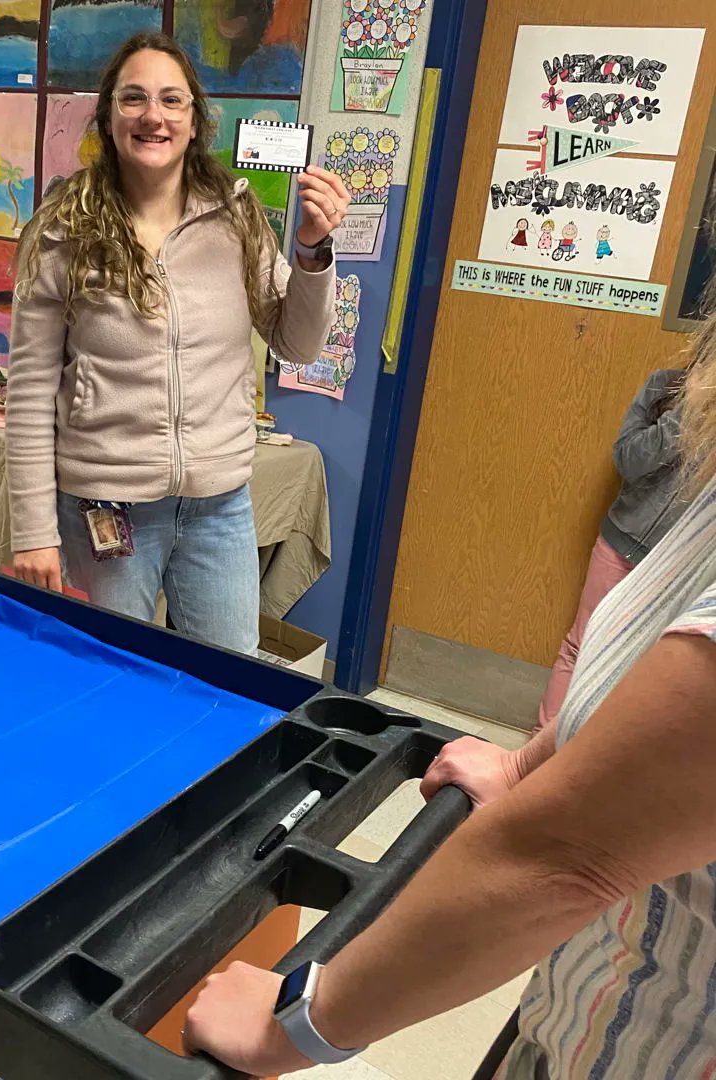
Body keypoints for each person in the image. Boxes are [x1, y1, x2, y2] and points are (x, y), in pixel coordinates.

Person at [184, 300, 716, 1076]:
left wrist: (299, 1023)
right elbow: (645, 687)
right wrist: (529, 767)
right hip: (589, 1003)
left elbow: (565, 859)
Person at [6, 33, 346, 653]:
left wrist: (312, 252)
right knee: (109, 683)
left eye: (171, 101)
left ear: (195, 122)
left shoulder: (237, 220)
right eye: (133, 99)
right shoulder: (64, 228)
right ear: (109, 119)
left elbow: (296, 344)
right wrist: (34, 531)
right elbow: (28, 392)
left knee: (227, 685)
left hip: (218, 509)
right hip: (106, 512)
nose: (152, 116)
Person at [536, 367, 686, 729]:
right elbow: (627, 460)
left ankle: (594, 769)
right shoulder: (665, 384)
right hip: (619, 543)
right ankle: (537, 760)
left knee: (643, 669)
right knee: (579, 647)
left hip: (676, 564)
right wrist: (685, 416)